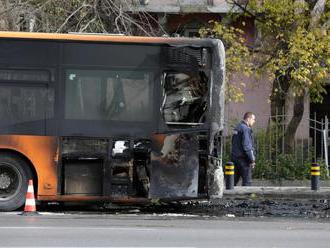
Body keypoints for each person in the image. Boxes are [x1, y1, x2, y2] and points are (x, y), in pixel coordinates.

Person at [231, 112, 256, 186]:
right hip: (243, 160)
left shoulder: (237, 127)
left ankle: (229, 197)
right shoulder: (246, 129)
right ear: (248, 119)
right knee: (247, 182)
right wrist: (252, 160)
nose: (254, 121)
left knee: (232, 182)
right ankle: (246, 198)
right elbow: (247, 146)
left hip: (235, 158)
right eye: (253, 119)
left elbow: (233, 143)